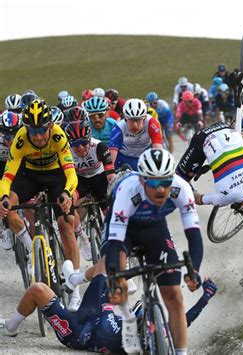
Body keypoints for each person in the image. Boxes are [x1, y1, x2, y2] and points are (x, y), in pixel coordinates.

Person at [102, 148, 204, 354]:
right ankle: (128, 319)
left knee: (174, 295)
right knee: (118, 274)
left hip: (154, 228)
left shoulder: (181, 188)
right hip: (125, 229)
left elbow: (194, 235)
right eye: (154, 183)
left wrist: (194, 271)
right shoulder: (127, 192)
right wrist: (114, 279)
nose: (161, 190)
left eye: (165, 182)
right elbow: (114, 242)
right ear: (142, 181)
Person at [0, 258, 218, 354]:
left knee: (38, 289)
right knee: (107, 261)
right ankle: (74, 280)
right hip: (97, 312)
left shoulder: (131, 344)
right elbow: (184, 320)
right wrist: (206, 297)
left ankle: (11, 327)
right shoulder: (151, 329)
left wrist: (109, 301)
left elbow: (106, 326)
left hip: (79, 333)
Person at [0, 99, 82, 311]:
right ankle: (31, 249)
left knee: (67, 224)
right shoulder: (20, 139)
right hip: (30, 176)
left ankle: (76, 289)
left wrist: (66, 193)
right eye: (32, 131)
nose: (37, 136)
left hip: (56, 175)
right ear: (26, 128)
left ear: (50, 126)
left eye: (42, 130)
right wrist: (4, 199)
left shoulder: (57, 135)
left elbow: (71, 173)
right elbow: (7, 177)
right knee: (7, 206)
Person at [176, 120, 243, 230]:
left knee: (240, 145)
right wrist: (190, 189)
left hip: (228, 130)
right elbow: (197, 199)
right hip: (203, 137)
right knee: (179, 183)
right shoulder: (225, 199)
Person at [64, 119, 115, 261]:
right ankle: (84, 239)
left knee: (108, 208)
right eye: (75, 144)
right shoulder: (65, 151)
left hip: (99, 178)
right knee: (68, 204)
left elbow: (111, 176)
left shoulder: (99, 146)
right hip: (80, 180)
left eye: (83, 143)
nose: (80, 148)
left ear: (89, 139)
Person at [109, 98, 163, 171]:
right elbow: (111, 158)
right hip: (123, 160)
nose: (135, 125)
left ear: (144, 118)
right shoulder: (119, 128)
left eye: (138, 120)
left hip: (145, 158)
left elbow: (157, 149)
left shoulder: (152, 123)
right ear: (125, 119)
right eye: (131, 120)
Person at [0, 111, 22, 250]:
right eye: (6, 135)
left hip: (19, 165)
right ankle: (3, 227)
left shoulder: (23, 138)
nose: (10, 139)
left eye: (13, 134)